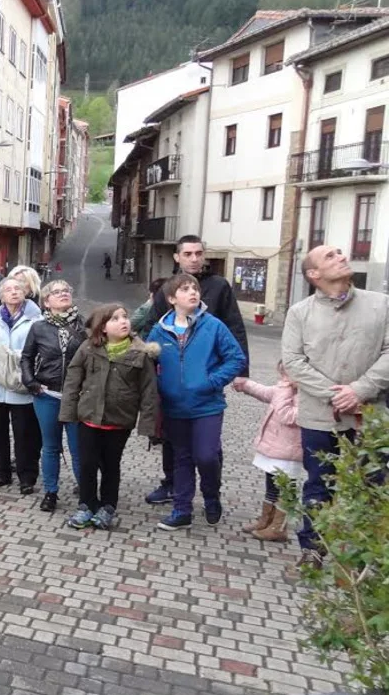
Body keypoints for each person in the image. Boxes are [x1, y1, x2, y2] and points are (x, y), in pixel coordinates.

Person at [281, 244, 389, 568]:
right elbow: (294, 361)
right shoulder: (300, 313)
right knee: (319, 482)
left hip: (370, 414)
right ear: (314, 274)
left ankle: (368, 558)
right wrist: (335, 394)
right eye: (330, 256)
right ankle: (313, 548)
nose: (341, 256)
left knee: (375, 482)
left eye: (340, 252)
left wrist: (359, 390)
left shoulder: (380, 304)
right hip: (319, 415)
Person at [142, 235, 250, 506]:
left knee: (208, 444)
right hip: (173, 379)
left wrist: (240, 372)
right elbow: (153, 328)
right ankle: (172, 484)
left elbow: (235, 326)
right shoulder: (167, 288)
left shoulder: (219, 286)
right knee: (171, 438)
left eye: (198, 253)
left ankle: (212, 487)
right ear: (177, 257)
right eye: (188, 254)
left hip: (207, 374)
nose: (194, 258)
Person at [59, 303, 158, 530]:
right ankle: (86, 505)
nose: (123, 321)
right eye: (115, 318)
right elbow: (73, 381)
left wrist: (148, 424)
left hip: (119, 421)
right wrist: (68, 412)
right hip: (88, 418)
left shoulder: (140, 353)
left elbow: (149, 391)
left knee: (111, 465)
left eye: (125, 317)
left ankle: (107, 506)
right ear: (102, 327)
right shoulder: (88, 348)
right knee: (87, 464)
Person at [20, 280, 86, 512]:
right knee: (50, 446)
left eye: (66, 290)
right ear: (46, 302)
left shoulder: (84, 325)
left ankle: (86, 492)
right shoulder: (38, 327)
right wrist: (31, 382)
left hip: (77, 396)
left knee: (79, 448)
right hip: (47, 394)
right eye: (56, 292)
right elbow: (26, 357)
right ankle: (51, 492)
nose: (63, 294)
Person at [0, 278, 42, 493]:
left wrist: (28, 373)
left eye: (18, 288)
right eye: (8, 289)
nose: (14, 292)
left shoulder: (36, 318)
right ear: (1, 295)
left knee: (24, 434)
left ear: (25, 292)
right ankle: (2, 471)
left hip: (21, 385)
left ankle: (27, 476)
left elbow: (40, 351)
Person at [231, 362, 302, 543]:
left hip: (290, 450)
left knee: (286, 487)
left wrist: (284, 391)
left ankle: (279, 527)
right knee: (271, 483)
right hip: (275, 446)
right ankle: (266, 519)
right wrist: (246, 385)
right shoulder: (285, 389)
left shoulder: (303, 394)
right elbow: (265, 392)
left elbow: (288, 415)